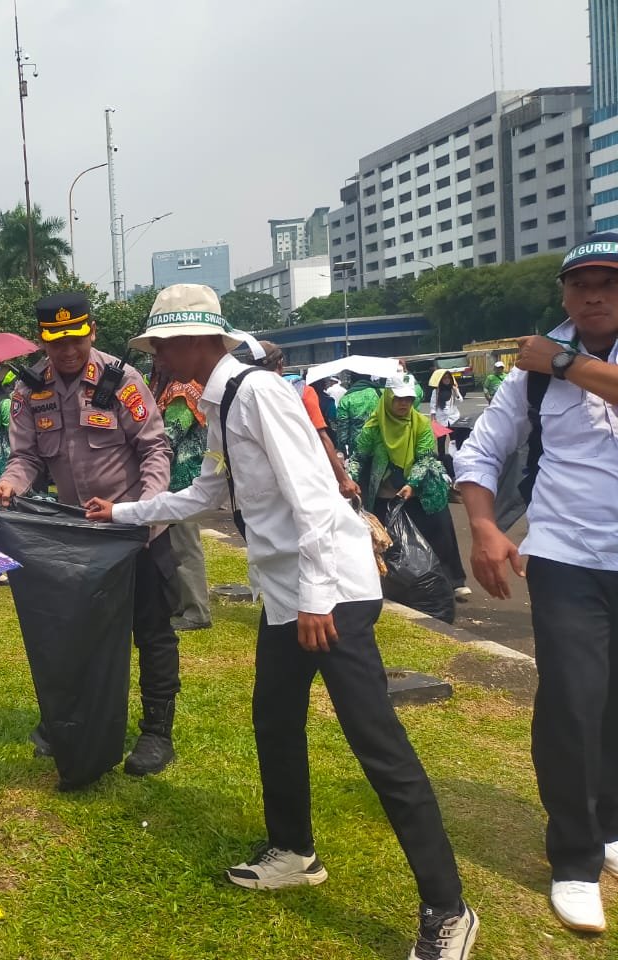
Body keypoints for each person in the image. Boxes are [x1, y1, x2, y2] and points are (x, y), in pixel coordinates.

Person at [84, 283, 477, 960]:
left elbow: (315, 498)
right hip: (286, 594)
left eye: (166, 345)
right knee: (274, 721)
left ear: (202, 341)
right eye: (158, 347)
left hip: (329, 594)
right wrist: (121, 512)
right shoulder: (220, 401)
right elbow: (209, 491)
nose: (160, 357)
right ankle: (294, 850)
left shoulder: (258, 393)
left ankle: (447, 907)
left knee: (377, 743)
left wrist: (317, 597)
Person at [454, 232, 618, 933]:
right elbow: (481, 452)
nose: (593, 295)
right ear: (564, 294)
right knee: (573, 705)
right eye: (580, 284)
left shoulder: (551, 360)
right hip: (566, 557)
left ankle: (609, 826)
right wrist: (484, 528)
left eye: (608, 283)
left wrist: (564, 361)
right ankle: (575, 860)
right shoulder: (531, 374)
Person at [0, 291, 180, 777]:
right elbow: (26, 457)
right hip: (80, 537)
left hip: (136, 530)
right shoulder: (29, 389)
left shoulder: (122, 380)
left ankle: (157, 732)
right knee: (78, 631)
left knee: (152, 632)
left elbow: (155, 450)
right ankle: (73, 719)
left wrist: (145, 511)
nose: (69, 351)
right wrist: (10, 484)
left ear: (91, 332)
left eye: (76, 339)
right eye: (57, 343)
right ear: (42, 341)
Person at [350, 378, 470, 601]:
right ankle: (399, 585)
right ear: (388, 398)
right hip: (386, 494)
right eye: (398, 399)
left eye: (408, 399)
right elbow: (359, 457)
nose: (403, 403)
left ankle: (453, 582)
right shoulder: (373, 427)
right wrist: (348, 479)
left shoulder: (420, 424)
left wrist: (412, 484)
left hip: (421, 491)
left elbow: (425, 458)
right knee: (390, 542)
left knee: (440, 531)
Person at [149, 358, 212, 632]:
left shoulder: (183, 390)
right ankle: (178, 603)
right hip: (171, 479)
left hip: (182, 480)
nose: (156, 363)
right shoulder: (170, 388)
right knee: (170, 547)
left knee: (185, 547)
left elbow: (170, 435)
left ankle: (197, 610)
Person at [252, 341, 359, 501]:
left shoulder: (245, 394)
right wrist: (343, 479)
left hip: (261, 478)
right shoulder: (303, 392)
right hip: (301, 474)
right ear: (280, 363)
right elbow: (322, 437)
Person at [334, 374, 382, 455]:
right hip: (378, 444)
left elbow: (342, 427)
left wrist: (342, 447)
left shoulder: (346, 399)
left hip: (356, 447)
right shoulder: (379, 393)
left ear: (352, 380)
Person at [428, 371, 463, 465]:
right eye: (444, 378)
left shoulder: (453, 390)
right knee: (441, 442)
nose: (447, 380)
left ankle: (455, 459)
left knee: (454, 441)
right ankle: (442, 462)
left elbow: (460, 401)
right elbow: (433, 405)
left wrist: (456, 391)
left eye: (448, 378)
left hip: (453, 419)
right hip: (441, 420)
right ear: (441, 379)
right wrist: (433, 419)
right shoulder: (436, 391)